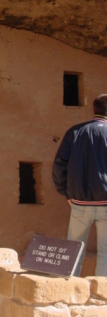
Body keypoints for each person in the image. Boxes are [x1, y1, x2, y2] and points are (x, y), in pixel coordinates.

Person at [52, 94, 107, 277]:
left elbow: (60, 165)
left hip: (80, 202)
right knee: (105, 255)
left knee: (73, 252)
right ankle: (102, 300)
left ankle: (68, 293)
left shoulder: (75, 132)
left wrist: (66, 193)